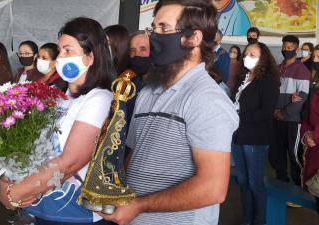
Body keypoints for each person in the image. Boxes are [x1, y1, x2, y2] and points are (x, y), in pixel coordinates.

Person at [101, 1, 239, 225]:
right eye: (153, 28)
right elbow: (137, 154)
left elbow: (212, 188)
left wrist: (140, 205)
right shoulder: (149, 91)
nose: (153, 37)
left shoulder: (207, 100)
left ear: (193, 38)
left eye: (164, 28)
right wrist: (117, 191)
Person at [0, 17, 115, 225]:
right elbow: (27, 147)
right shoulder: (58, 96)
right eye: (60, 50)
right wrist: (6, 180)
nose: (60, 57)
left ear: (90, 57)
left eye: (68, 50)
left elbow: (69, 163)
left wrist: (14, 191)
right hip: (43, 206)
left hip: (75, 214)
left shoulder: (99, 98)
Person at [232, 42, 280, 225]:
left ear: (263, 58)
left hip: (255, 138)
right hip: (238, 136)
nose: (246, 57)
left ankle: (258, 221)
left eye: (252, 55)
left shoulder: (269, 81)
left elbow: (265, 112)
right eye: (246, 54)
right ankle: (247, 220)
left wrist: (238, 117)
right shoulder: (243, 77)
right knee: (243, 181)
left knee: (255, 184)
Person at [269, 35, 311, 188]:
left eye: (290, 48)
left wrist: (284, 112)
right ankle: (282, 181)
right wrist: (274, 111)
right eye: (284, 47)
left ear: (297, 49)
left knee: (294, 155)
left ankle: (297, 186)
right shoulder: (278, 68)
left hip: (292, 119)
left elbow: (303, 96)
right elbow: (272, 91)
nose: (286, 50)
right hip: (275, 117)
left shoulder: (302, 70)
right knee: (276, 152)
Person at [300, 88, 319, 213]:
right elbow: (306, 120)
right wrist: (306, 135)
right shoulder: (316, 94)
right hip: (315, 167)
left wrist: (316, 135)